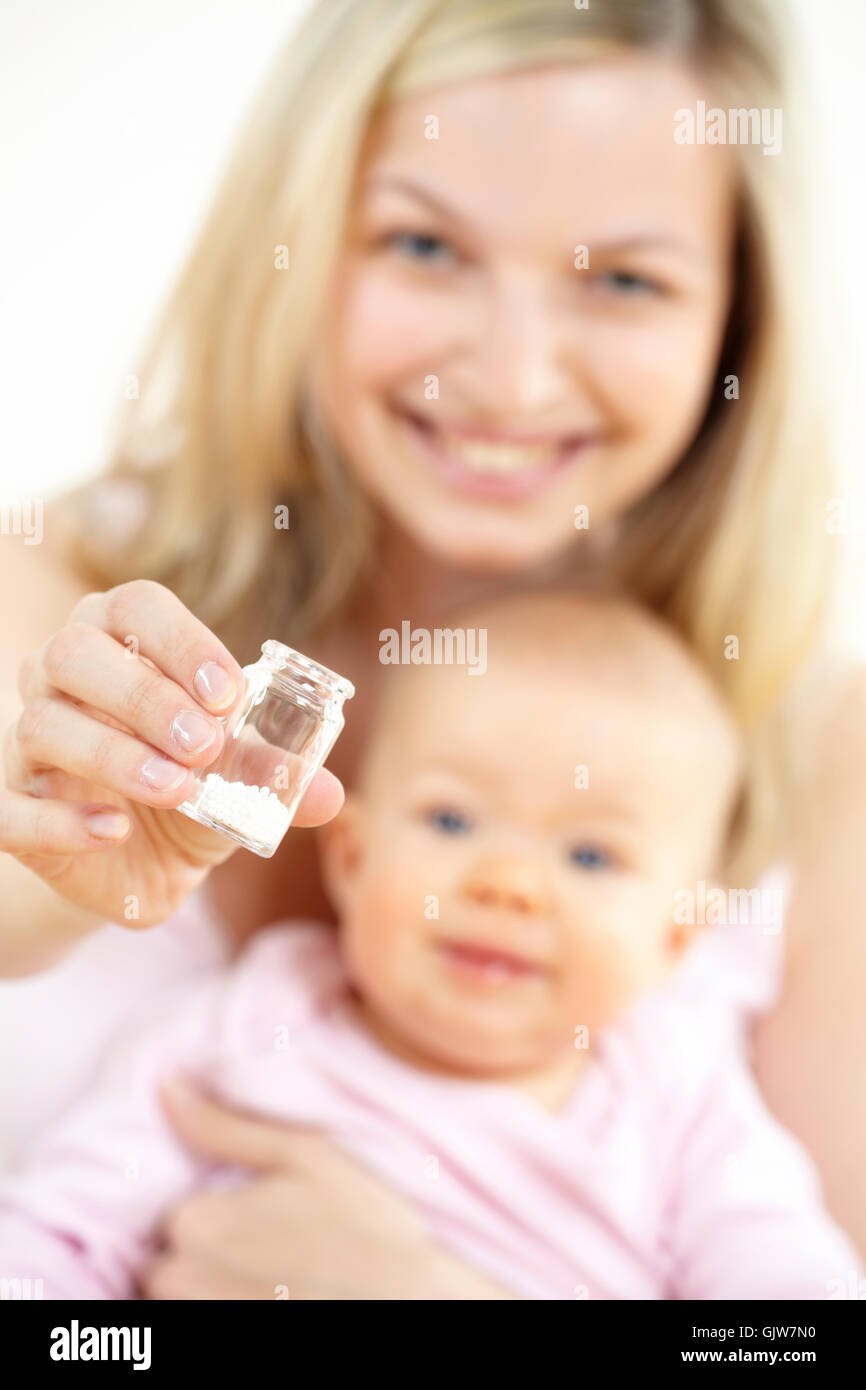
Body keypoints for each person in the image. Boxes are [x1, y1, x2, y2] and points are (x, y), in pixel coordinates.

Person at [1, 0, 864, 1298]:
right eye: (422, 243)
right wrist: (48, 878)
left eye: (622, 277)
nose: (510, 378)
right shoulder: (54, 610)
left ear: (738, 319)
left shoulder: (820, 760)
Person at [1, 592, 860, 1300]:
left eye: (592, 855)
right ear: (352, 856)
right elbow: (54, 1240)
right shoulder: (257, 1014)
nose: (509, 884)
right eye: (452, 819)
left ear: (676, 939)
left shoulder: (679, 1102)